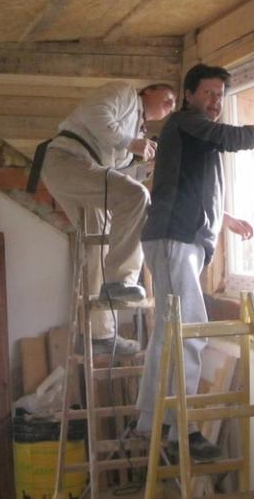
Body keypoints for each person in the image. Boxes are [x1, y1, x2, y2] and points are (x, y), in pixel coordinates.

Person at [134, 64, 254, 460]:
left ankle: (152, 423)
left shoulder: (194, 136)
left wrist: (224, 218)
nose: (215, 101)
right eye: (208, 93)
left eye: (220, 95)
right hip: (175, 239)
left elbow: (191, 187)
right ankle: (181, 431)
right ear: (188, 96)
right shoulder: (187, 122)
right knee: (189, 331)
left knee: (169, 333)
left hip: (175, 237)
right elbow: (238, 138)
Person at [38, 81, 177, 356]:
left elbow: (117, 176)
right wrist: (131, 143)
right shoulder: (125, 94)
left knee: (98, 251)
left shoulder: (137, 130)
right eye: (168, 97)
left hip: (84, 170)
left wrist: (146, 169)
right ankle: (121, 281)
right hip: (68, 161)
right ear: (148, 91)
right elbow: (95, 112)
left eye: (173, 104)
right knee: (137, 197)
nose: (170, 105)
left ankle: (98, 336)